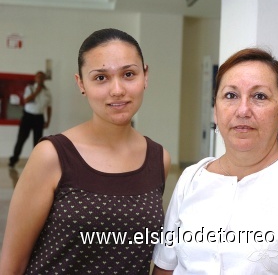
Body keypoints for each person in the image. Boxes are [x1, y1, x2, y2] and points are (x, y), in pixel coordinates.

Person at [152, 48, 278, 274]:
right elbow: (165, 267)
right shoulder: (192, 179)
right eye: (231, 95)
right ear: (215, 111)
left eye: (259, 96)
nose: (242, 110)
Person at [0, 28, 171, 274]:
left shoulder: (158, 159)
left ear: (145, 76)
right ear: (81, 83)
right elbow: (12, 266)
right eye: (101, 77)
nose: (117, 90)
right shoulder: (53, 155)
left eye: (129, 74)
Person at [8, 71, 52, 168]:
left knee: (38, 142)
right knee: (21, 139)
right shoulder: (30, 88)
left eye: (42, 77)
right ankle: (13, 160)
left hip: (39, 118)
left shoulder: (48, 92)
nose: (40, 79)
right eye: (38, 77)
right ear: (35, 78)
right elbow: (26, 100)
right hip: (28, 117)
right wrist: (37, 91)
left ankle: (36, 163)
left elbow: (49, 107)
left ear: (44, 79)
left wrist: (48, 120)